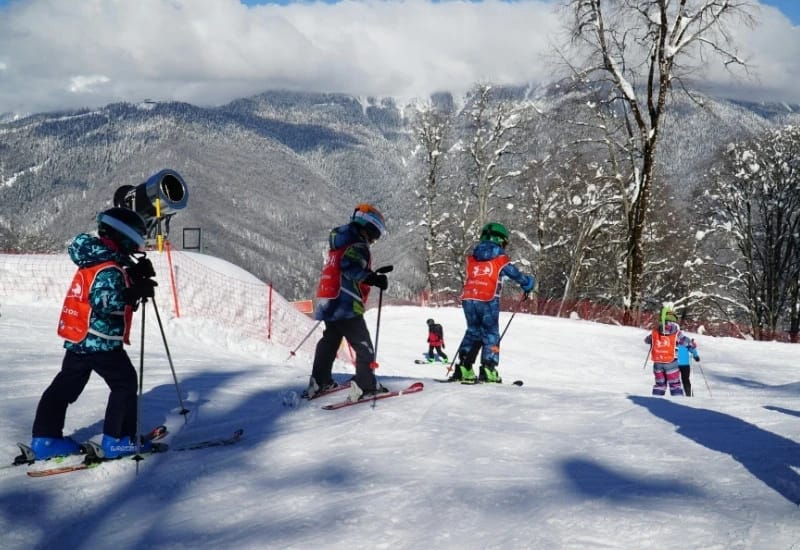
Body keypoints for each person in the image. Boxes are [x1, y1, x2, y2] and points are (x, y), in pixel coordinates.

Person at [29, 207, 159, 460]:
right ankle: (118, 440)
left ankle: (46, 439)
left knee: (65, 386)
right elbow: (104, 301)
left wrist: (131, 276)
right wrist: (133, 292)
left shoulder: (94, 258)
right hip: (101, 341)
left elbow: (103, 281)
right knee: (124, 383)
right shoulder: (109, 267)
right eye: (135, 239)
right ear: (123, 236)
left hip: (79, 338)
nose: (137, 245)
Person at [304, 203, 390, 402]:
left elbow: (341, 265)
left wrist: (372, 276)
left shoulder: (340, 242)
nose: (375, 239)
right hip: (345, 302)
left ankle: (320, 380)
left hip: (329, 299)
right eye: (377, 232)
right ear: (370, 227)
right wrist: (373, 278)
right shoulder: (357, 244)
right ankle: (365, 385)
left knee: (330, 340)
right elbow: (348, 267)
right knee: (363, 345)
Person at [451, 222, 535, 384]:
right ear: (500, 240)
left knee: (473, 331)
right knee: (491, 333)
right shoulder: (500, 258)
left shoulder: (472, 257)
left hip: (469, 298)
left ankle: (464, 366)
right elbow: (514, 274)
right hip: (488, 299)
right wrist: (527, 283)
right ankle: (488, 368)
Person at [644, 307, 691, 397]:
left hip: (657, 363)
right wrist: (691, 344)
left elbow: (647, 340)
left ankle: (656, 401)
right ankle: (678, 403)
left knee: (659, 384)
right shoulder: (676, 333)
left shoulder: (655, 332)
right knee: (675, 384)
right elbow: (685, 342)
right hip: (672, 362)